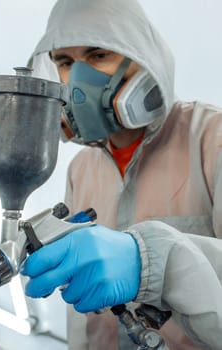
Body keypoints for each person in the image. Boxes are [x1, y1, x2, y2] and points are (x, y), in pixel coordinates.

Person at [19, 0, 222, 349]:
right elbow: (81, 318)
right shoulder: (81, 170)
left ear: (143, 58)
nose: (77, 81)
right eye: (65, 62)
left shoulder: (211, 141)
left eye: (98, 55)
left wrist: (154, 262)